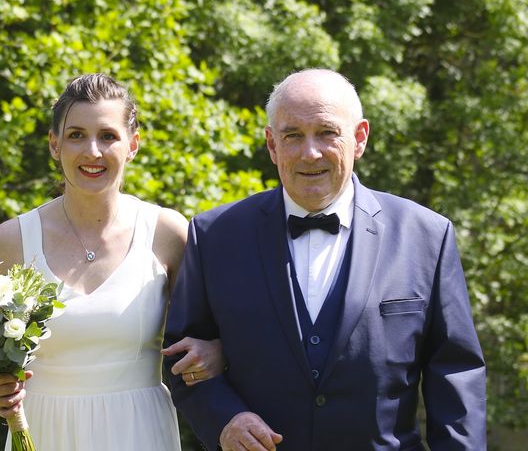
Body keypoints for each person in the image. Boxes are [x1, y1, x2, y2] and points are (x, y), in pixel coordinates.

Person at [163, 68, 486, 450]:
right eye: (292, 136)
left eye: (327, 133)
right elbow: (181, 359)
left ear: (359, 138)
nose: (310, 152)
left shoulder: (426, 235)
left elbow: (455, 374)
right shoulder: (215, 235)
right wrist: (224, 419)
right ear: (271, 145)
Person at [0, 73, 224, 450]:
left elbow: (213, 333)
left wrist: (217, 353)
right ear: (55, 145)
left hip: (138, 429)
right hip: (43, 430)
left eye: (108, 136)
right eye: (76, 135)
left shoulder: (166, 232)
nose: (92, 151)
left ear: (133, 145)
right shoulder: (11, 240)